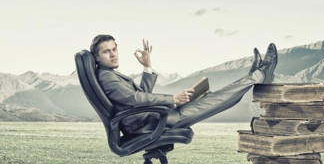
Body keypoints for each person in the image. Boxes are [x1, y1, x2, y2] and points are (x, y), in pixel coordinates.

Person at [91, 34, 277, 135]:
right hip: (152, 123)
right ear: (97, 58)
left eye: (114, 49)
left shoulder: (109, 74)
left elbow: (138, 95)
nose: (113, 54)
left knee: (213, 98)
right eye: (107, 52)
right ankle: (259, 74)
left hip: (151, 117)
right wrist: (172, 99)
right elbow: (135, 98)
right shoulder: (107, 77)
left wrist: (147, 67)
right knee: (217, 100)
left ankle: (253, 76)